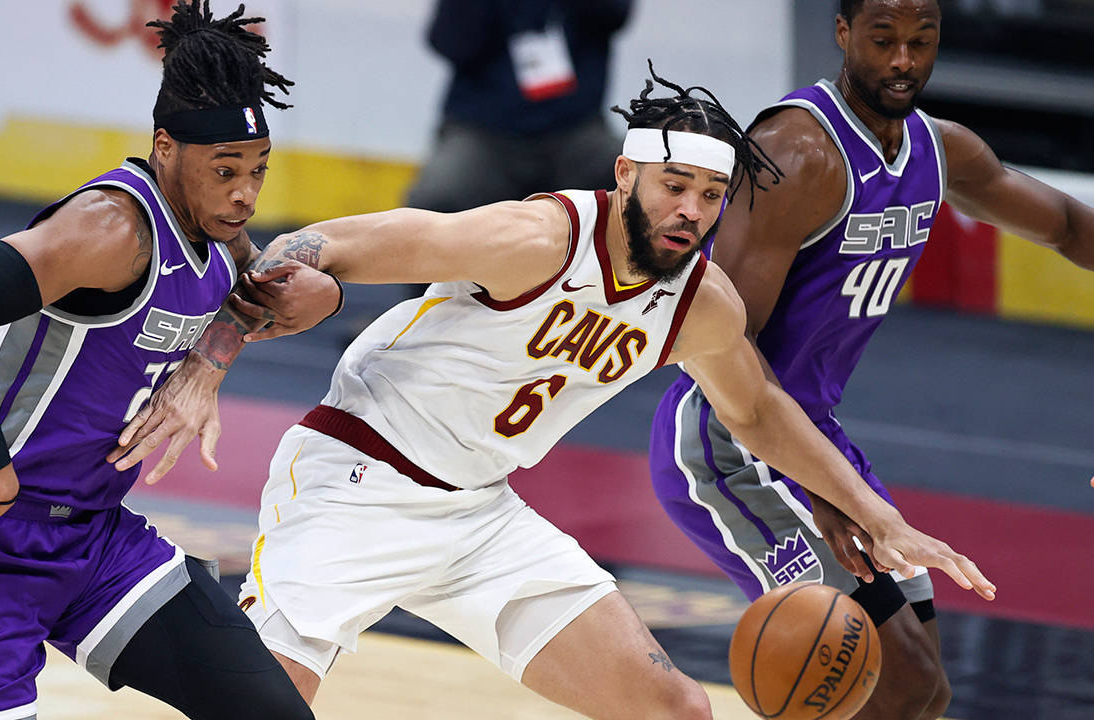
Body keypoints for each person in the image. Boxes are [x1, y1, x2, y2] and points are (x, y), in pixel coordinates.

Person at [111, 65, 995, 719]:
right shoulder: (534, 237)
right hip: (354, 484)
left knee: (677, 710)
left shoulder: (701, 305)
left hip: (481, 517)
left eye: (712, 194)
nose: (691, 210)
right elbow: (325, 242)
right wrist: (206, 364)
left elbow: (757, 411)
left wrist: (878, 519)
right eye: (675, 187)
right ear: (625, 179)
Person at [647, 2, 1094, 720]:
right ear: (844, 33)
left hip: (813, 437)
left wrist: (831, 476)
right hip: (730, 442)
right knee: (891, 685)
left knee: (923, 693)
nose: (902, 62)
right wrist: (827, 491)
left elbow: (1070, 227)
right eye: (884, 40)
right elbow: (722, 344)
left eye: (922, 41)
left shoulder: (940, 150)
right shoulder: (798, 152)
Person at [0, 2, 339, 719]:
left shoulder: (221, 239)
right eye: (225, 170)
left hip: (100, 541)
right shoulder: (110, 229)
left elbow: (295, 293)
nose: (245, 193)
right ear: (165, 147)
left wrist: (216, 360)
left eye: (258, 170)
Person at [405, 0, 631, 214]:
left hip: (576, 130)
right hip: (482, 132)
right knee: (436, 201)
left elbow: (615, 13)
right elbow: (451, 43)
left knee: (635, 185)